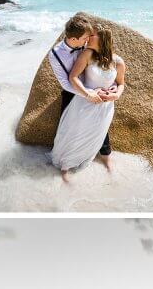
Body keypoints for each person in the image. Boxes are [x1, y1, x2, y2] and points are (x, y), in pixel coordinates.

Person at [51, 25, 126, 179]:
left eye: (91, 36)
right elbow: (72, 77)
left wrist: (116, 95)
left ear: (101, 40)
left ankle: (105, 159)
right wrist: (88, 94)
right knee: (75, 132)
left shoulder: (118, 61)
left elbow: (121, 83)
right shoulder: (86, 54)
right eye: (86, 37)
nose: (87, 39)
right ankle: (66, 164)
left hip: (105, 105)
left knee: (99, 133)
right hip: (84, 101)